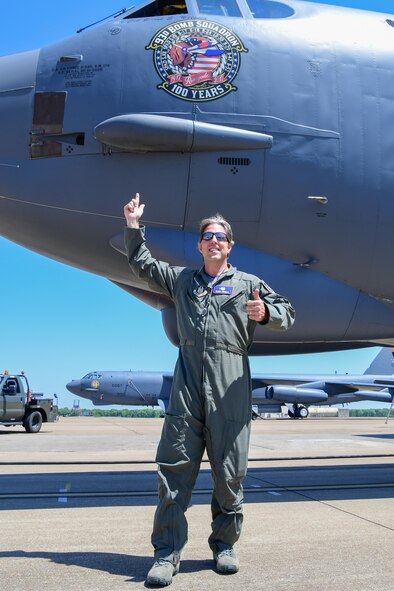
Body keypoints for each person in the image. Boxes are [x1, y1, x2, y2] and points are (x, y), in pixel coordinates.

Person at [123, 193, 295, 586]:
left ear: (229, 245)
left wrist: (266, 313)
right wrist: (133, 226)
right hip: (187, 386)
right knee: (173, 470)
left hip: (230, 384)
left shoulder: (248, 284)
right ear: (200, 245)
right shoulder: (184, 281)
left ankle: (224, 546)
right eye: (207, 236)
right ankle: (166, 554)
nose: (214, 241)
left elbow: (287, 311)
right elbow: (144, 264)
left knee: (229, 474)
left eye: (220, 236)